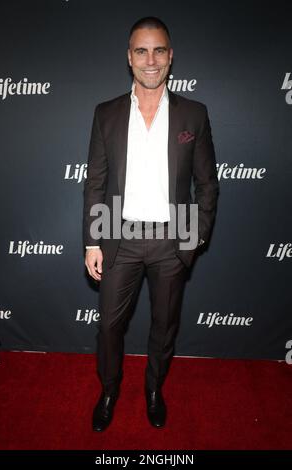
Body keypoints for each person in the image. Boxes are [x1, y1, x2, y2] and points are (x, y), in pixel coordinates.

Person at [83, 16, 219, 432]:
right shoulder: (106, 113)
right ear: (129, 58)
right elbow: (96, 183)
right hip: (118, 236)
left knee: (164, 326)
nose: (150, 59)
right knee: (108, 326)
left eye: (159, 49)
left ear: (170, 56)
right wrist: (93, 241)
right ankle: (109, 390)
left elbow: (206, 185)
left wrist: (191, 240)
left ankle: (154, 389)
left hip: (170, 239)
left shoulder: (193, 114)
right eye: (141, 50)